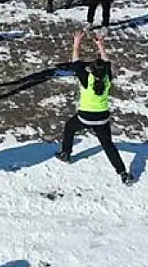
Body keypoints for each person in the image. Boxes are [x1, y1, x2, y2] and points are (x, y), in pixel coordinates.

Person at [54, 31, 133, 185]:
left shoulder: (86, 79)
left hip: (85, 117)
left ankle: (66, 153)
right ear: (104, 72)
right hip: (102, 119)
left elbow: (75, 60)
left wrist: (76, 42)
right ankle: (123, 173)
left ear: (91, 70)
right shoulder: (107, 79)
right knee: (108, 145)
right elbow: (106, 60)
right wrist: (100, 44)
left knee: (69, 127)